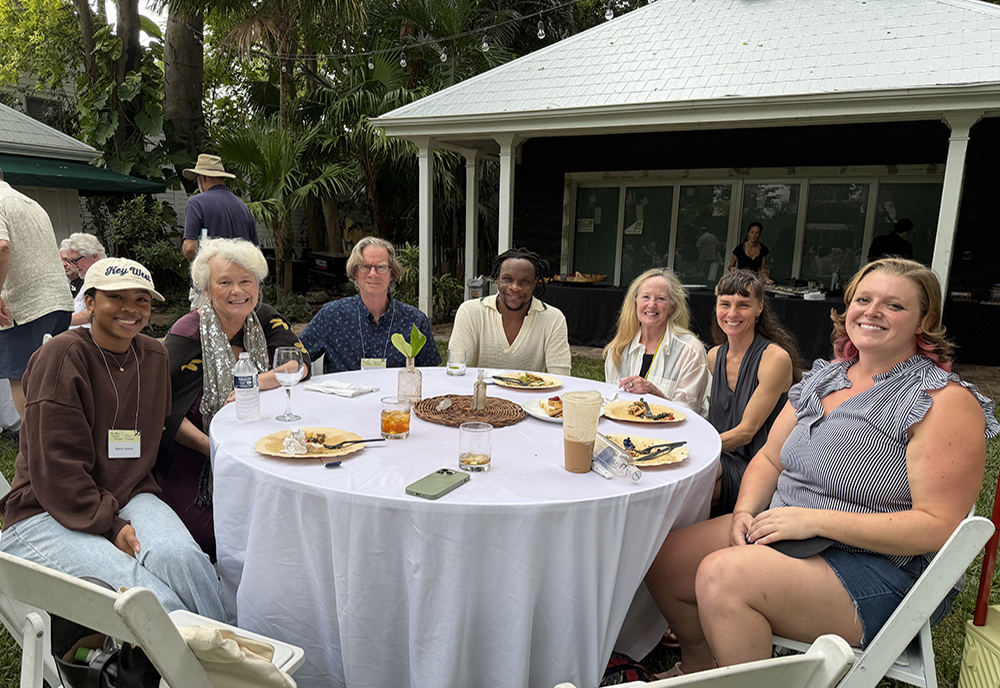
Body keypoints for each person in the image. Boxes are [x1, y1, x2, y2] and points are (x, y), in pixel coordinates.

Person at [644, 258, 998, 678]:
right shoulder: (825, 377)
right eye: (863, 299)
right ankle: (701, 666)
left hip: (879, 566)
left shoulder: (943, 401)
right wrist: (743, 512)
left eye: (894, 306)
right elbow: (771, 458)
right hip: (786, 527)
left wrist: (814, 521)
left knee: (724, 577)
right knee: (662, 560)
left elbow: (937, 526)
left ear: (926, 320)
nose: (872, 311)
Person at [0, 257, 225, 620]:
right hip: (45, 508)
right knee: (146, 597)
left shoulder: (153, 357)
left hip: (126, 492)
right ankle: (206, 668)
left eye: (141, 299)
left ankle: (229, 651)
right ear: (89, 302)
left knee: (184, 561)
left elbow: (152, 437)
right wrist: (110, 525)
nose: (130, 309)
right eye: (116, 297)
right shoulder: (61, 358)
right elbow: (56, 470)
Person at [157, 238, 311, 560]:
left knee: (290, 522)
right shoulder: (188, 331)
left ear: (257, 285)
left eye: (246, 281)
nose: (237, 291)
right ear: (207, 289)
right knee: (219, 534)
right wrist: (213, 447)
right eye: (224, 282)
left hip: (258, 445)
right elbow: (161, 407)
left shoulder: (264, 318)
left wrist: (253, 383)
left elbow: (300, 363)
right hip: (195, 457)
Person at [708, 270, 802, 516]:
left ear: (760, 308)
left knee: (690, 486)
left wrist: (699, 447)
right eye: (725, 304)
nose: (732, 313)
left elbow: (747, 432)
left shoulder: (775, 359)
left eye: (743, 305)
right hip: (721, 455)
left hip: (759, 467)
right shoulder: (713, 356)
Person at [299, 236, 440, 373]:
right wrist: (303, 370)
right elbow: (296, 356)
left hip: (396, 396)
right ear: (355, 272)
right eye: (365, 267)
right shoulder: (332, 316)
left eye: (381, 267)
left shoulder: (415, 321)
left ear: (392, 273)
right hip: (344, 397)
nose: (373, 274)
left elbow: (432, 375)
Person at [0, 166, 74, 420]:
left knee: (22, 378)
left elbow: (2, 247)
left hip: (22, 305)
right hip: (59, 301)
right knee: (53, 378)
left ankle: (35, 448)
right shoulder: (29, 202)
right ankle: (59, 438)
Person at [450, 247, 571, 375]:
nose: (515, 287)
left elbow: (561, 378)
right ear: (498, 280)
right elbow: (456, 370)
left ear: (534, 283)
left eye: (525, 281)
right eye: (507, 279)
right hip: (477, 394)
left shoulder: (553, 319)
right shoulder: (470, 312)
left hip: (531, 395)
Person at [603, 268, 708, 411]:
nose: (651, 305)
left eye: (661, 298)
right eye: (645, 297)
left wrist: (654, 394)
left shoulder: (691, 350)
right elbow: (611, 402)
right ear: (635, 302)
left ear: (672, 307)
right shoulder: (618, 349)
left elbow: (688, 415)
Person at [181, 154, 258, 308]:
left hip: (208, 286)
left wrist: (200, 266)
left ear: (202, 178)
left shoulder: (196, 203)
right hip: (239, 290)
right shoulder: (243, 207)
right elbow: (255, 252)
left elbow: (190, 247)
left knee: (204, 329)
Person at [60, 232, 107, 329]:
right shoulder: (90, 277)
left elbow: (95, 312)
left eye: (75, 261)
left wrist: (62, 322)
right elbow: (81, 304)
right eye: (70, 261)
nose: (73, 266)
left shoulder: (103, 277)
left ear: (94, 256)